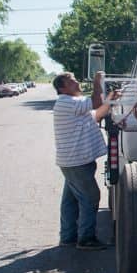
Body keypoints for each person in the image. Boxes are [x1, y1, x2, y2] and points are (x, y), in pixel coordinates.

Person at [53, 71, 117, 250]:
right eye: (71, 81)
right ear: (62, 88)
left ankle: (68, 237)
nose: (76, 82)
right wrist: (98, 82)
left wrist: (110, 98)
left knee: (71, 199)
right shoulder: (67, 102)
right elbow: (96, 102)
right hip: (77, 162)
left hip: (73, 162)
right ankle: (86, 239)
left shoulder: (74, 105)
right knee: (90, 197)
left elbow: (96, 115)